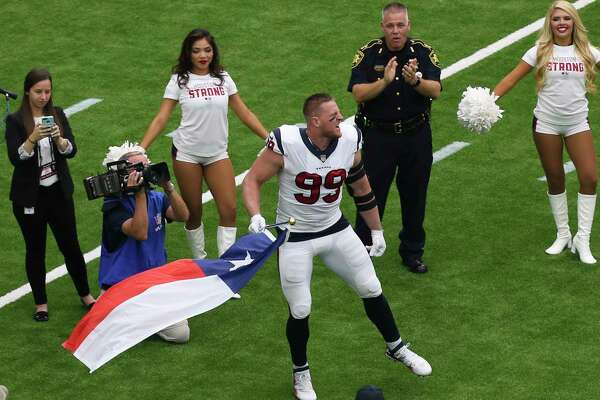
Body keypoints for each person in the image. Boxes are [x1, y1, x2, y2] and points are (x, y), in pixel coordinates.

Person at [242, 94, 431, 400]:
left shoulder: (349, 138)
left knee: (371, 287)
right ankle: (300, 373)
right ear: (314, 122)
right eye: (333, 117)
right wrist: (256, 215)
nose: (340, 119)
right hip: (296, 236)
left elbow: (359, 183)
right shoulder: (286, 141)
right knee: (300, 307)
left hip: (335, 229)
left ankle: (396, 347)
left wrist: (376, 229)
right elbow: (252, 181)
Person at [140, 28, 268, 261]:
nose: (203, 55)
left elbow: (244, 112)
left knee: (229, 210)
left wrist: (268, 137)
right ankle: (200, 264)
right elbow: (161, 118)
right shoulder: (179, 81)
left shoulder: (223, 78)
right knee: (193, 212)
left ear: (213, 52)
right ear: (188, 53)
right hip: (187, 154)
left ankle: (226, 267)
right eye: (197, 50)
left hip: (217, 153)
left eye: (207, 50)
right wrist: (141, 148)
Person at [493, 0, 600, 264]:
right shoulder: (539, 51)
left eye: (566, 18)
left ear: (574, 21)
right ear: (549, 23)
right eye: (556, 19)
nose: (561, 23)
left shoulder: (589, 51)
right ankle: (563, 234)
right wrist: (488, 100)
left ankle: (582, 239)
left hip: (577, 123)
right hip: (546, 124)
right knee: (555, 179)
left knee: (589, 177)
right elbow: (511, 78)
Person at [348, 2, 441, 274]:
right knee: (369, 194)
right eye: (390, 26)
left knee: (415, 195)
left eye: (401, 25)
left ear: (409, 26)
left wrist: (415, 82)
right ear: (382, 27)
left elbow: (435, 90)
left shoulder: (422, 52)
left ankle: (412, 251)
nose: (396, 31)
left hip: (416, 136)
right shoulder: (368, 54)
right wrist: (384, 82)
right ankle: (362, 250)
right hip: (378, 137)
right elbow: (358, 93)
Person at [4, 68, 96, 322]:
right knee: (36, 249)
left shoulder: (58, 115)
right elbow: (16, 158)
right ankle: (41, 303)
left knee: (71, 246)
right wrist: (32, 139)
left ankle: (86, 295)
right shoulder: (14, 121)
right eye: (38, 92)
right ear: (27, 91)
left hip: (58, 193)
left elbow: (71, 150)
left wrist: (60, 140)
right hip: (29, 197)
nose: (44, 96)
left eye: (47, 91)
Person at [98, 142, 191, 342]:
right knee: (111, 333)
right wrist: (139, 194)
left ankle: (139, 319)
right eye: (139, 169)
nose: (145, 172)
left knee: (181, 334)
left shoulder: (156, 197)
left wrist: (168, 188)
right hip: (122, 284)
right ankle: (117, 312)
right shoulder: (113, 207)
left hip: (153, 281)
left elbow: (183, 215)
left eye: (146, 166)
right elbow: (140, 232)